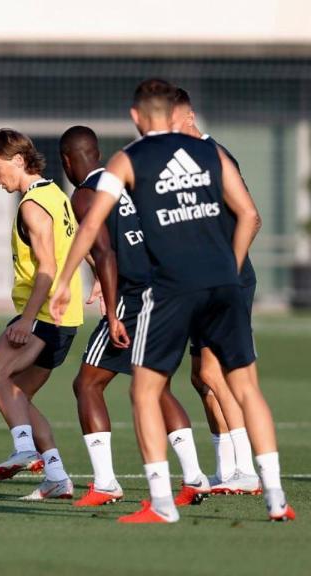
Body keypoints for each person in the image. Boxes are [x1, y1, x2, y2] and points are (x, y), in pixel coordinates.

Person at [50, 78, 295, 523]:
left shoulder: (130, 159)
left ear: (136, 116)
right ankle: (276, 496)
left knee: (146, 390)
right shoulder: (211, 153)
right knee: (245, 387)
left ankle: (162, 502)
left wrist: (66, 279)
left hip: (172, 287)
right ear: (175, 112)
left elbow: (91, 228)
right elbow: (250, 215)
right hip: (224, 281)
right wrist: (231, 266)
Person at [59, 126, 212, 507]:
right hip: (171, 290)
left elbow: (105, 253)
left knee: (87, 384)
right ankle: (195, 477)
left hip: (135, 296)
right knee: (157, 386)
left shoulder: (86, 195)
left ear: (67, 161)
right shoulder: (131, 182)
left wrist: (113, 313)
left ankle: (105, 482)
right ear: (97, 154)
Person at [0, 129, 81, 501]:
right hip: (65, 318)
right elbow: (77, 243)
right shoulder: (57, 196)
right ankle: (56, 476)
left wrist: (26, 319)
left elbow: (47, 267)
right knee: (17, 395)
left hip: (43, 314)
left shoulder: (32, 205)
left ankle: (24, 448)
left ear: (18, 161)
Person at [171, 88, 261, 495]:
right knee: (200, 377)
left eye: (170, 122)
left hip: (225, 281)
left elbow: (251, 218)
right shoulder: (184, 162)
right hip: (199, 282)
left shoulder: (215, 156)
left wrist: (228, 268)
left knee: (215, 372)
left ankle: (246, 469)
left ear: (189, 116)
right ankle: (227, 470)